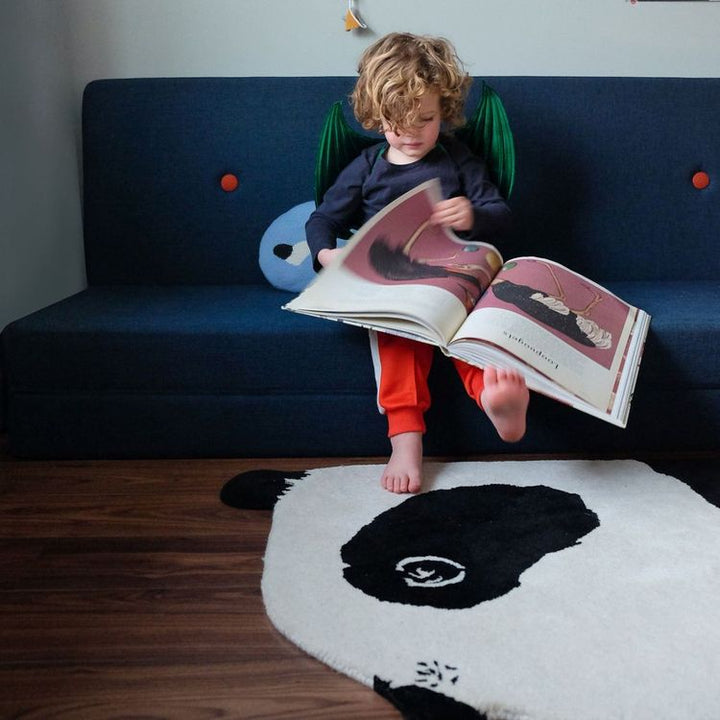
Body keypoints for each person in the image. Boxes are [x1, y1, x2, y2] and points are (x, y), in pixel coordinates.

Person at [306, 32, 529, 494]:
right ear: (375, 116)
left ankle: (495, 399)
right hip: (395, 287)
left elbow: (502, 214)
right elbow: (322, 219)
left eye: (426, 119)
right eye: (396, 123)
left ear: (444, 109)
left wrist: (472, 213)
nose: (411, 133)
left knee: (472, 332)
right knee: (399, 338)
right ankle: (405, 440)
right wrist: (327, 254)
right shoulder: (368, 166)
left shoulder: (458, 158)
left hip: (456, 279)